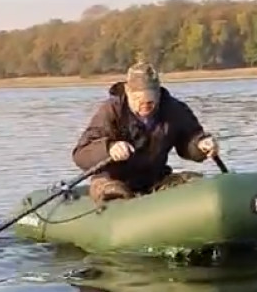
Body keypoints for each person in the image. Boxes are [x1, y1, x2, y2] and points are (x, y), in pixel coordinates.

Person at [72, 61, 219, 203]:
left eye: (150, 101)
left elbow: (189, 140)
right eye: (138, 100)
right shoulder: (111, 111)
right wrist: (109, 148)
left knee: (195, 182)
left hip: (156, 179)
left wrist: (201, 144)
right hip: (113, 180)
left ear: (158, 93)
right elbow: (81, 154)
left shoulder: (173, 109)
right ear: (128, 91)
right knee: (112, 191)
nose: (145, 106)